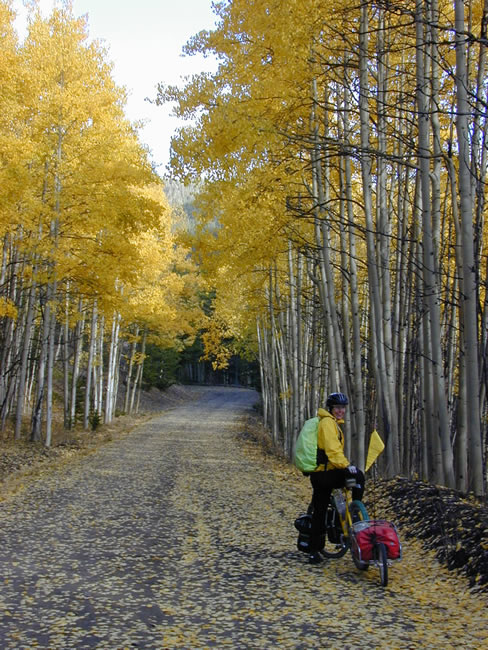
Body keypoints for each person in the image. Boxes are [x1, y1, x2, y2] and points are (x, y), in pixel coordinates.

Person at [308, 392, 365, 564]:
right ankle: (356, 513)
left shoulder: (330, 423)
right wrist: (347, 466)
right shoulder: (327, 423)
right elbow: (333, 451)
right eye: (337, 408)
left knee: (320, 509)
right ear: (331, 409)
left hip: (320, 474)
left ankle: (314, 551)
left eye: (343, 408)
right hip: (326, 474)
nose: (341, 411)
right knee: (359, 477)